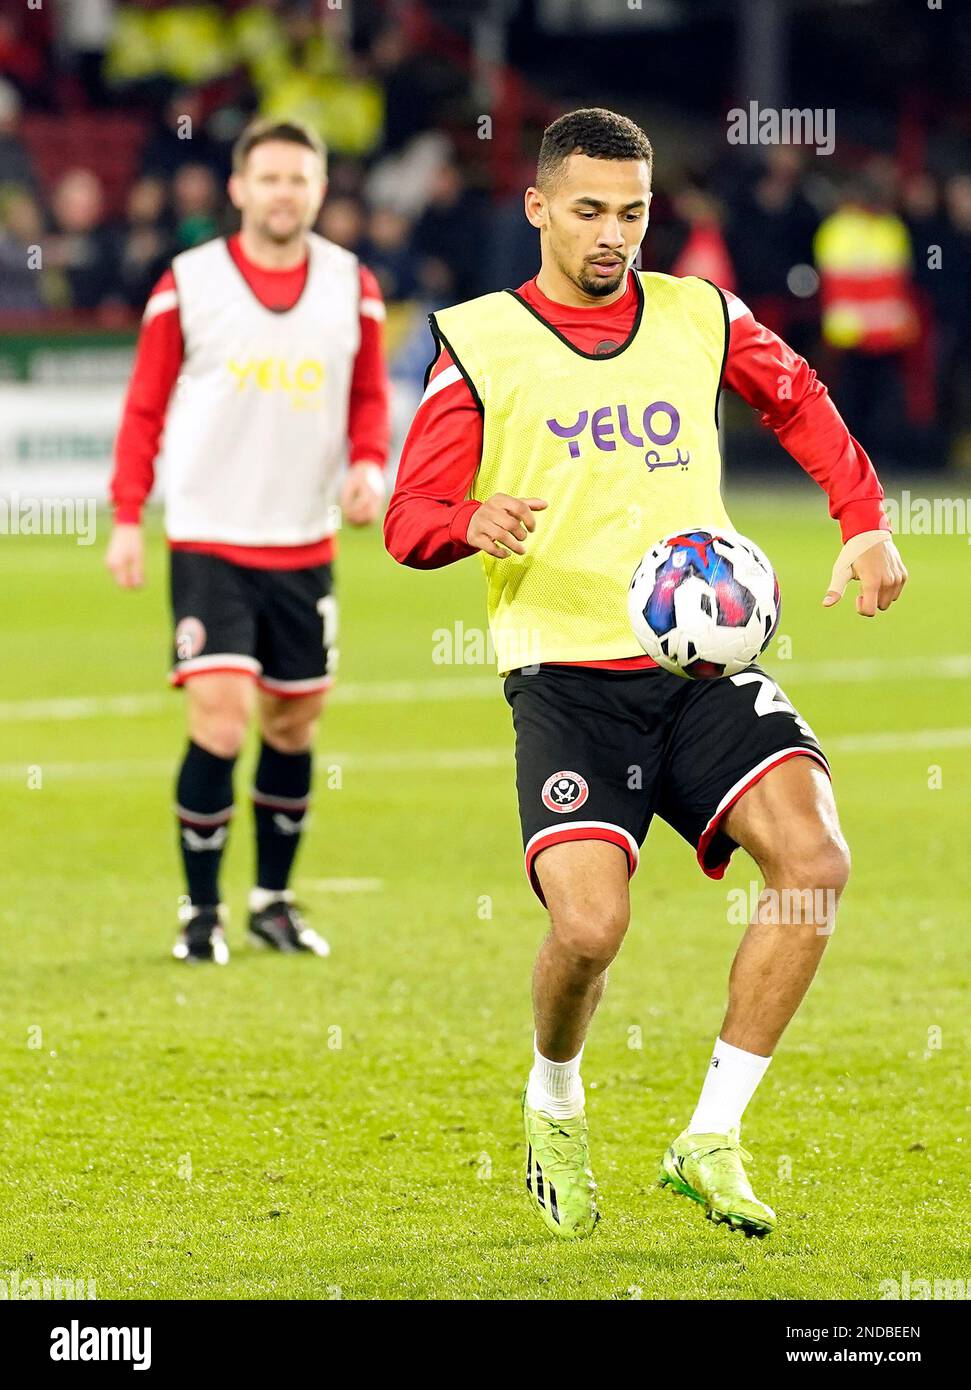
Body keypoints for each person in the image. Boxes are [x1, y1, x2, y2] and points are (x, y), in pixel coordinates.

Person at [384, 108, 907, 1240]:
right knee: (587, 930)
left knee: (813, 861)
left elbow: (800, 398)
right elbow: (406, 517)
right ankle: (555, 1095)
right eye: (587, 210)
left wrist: (860, 520)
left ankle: (709, 1134)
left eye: (631, 210)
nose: (613, 232)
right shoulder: (478, 339)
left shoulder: (698, 314)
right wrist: (470, 518)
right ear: (536, 208)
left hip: (706, 662)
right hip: (566, 679)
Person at [107, 118, 390, 965]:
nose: (282, 193)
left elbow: (368, 397)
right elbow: (145, 405)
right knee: (221, 723)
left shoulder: (352, 284)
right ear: (237, 188)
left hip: (303, 542)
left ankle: (271, 900)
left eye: (299, 179)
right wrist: (128, 515)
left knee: (293, 726)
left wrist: (370, 465)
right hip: (209, 537)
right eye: (267, 178)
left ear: (320, 188)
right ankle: (201, 912)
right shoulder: (188, 283)